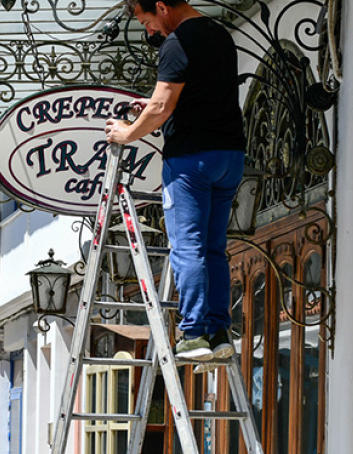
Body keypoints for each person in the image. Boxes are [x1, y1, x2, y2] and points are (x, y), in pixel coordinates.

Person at [105, 0, 245, 362]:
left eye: (146, 20)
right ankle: (218, 330)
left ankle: (194, 334)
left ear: (162, 6)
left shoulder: (177, 42)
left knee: (188, 246)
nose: (148, 30)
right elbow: (191, 96)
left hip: (191, 161)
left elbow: (163, 106)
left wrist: (127, 133)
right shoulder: (219, 34)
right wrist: (150, 106)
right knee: (213, 248)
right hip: (229, 156)